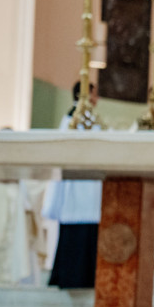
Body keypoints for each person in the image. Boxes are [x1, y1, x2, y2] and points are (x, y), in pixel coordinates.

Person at [42, 81, 102, 288]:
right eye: (94, 94)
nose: (97, 98)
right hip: (79, 185)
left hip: (86, 185)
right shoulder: (75, 120)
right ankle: (74, 276)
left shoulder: (76, 119)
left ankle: (75, 275)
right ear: (87, 95)